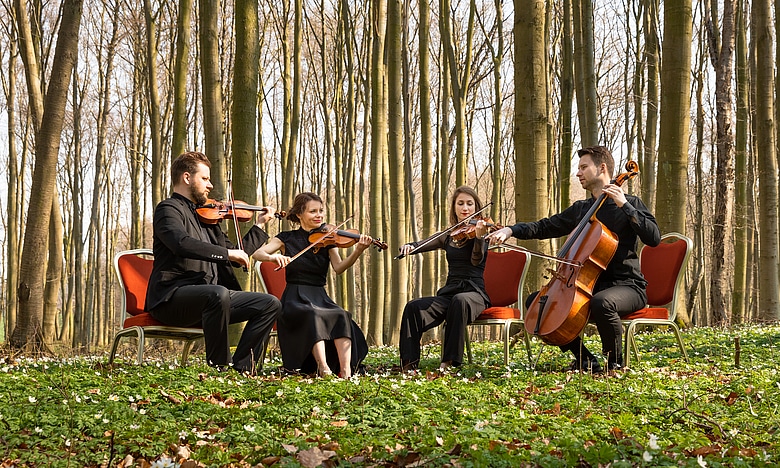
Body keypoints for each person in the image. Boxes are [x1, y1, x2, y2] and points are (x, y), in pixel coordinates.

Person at [487, 146, 660, 373]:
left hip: (627, 286)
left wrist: (624, 205)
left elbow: (654, 237)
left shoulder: (631, 204)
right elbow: (545, 226)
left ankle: (615, 365)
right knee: (536, 302)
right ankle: (585, 359)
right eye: (578, 168)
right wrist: (512, 230)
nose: (578, 173)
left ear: (602, 168)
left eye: (583, 167)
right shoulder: (582, 210)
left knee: (602, 302)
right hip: (585, 287)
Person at [145, 151, 281, 374]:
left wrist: (258, 226)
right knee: (217, 293)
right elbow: (181, 243)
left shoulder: (208, 217)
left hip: (216, 300)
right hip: (172, 298)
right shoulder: (167, 209)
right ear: (187, 177)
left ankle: (243, 369)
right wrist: (226, 254)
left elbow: (237, 256)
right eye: (205, 178)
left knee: (269, 303)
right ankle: (220, 368)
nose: (210, 186)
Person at [252, 192, 371, 378]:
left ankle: (346, 370)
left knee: (341, 314)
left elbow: (339, 268)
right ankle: (323, 368)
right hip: (295, 297)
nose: (319, 215)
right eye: (313, 211)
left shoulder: (328, 239)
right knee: (313, 314)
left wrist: (358, 251)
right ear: (299, 214)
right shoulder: (286, 238)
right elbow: (258, 253)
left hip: (320, 295)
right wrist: (272, 257)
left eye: (321, 211)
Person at [398, 186, 490, 371]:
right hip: (451, 292)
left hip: (474, 294)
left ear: (476, 207)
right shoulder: (449, 236)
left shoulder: (482, 232)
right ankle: (409, 364)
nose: (465, 208)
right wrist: (411, 246)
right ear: (454, 208)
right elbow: (425, 243)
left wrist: (479, 238)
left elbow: (476, 260)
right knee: (413, 307)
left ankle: (448, 362)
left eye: (470, 204)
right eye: (461, 203)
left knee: (460, 300)